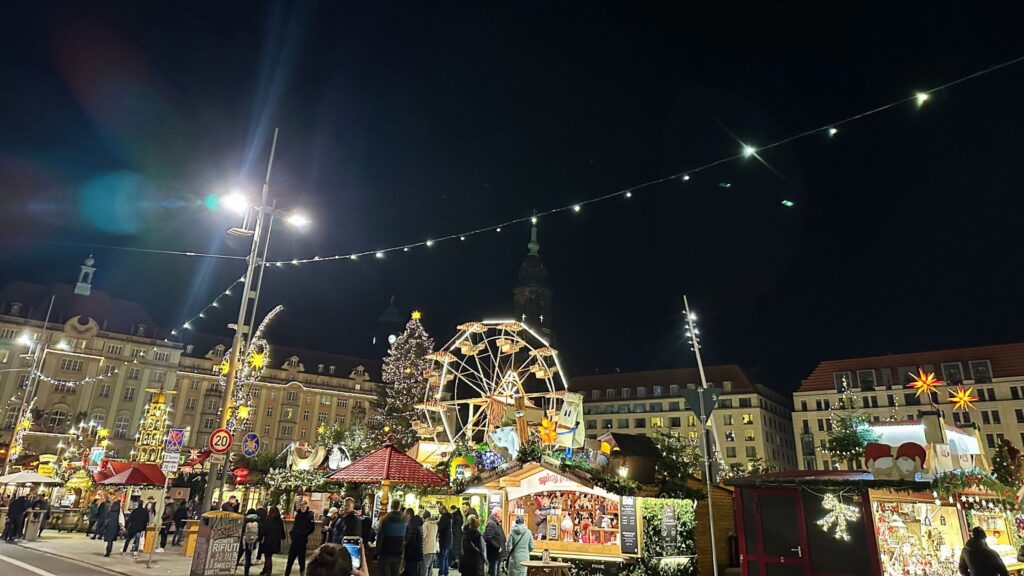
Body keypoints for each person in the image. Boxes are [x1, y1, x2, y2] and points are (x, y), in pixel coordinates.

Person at [377, 500, 408, 576]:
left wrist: (378, 552)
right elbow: (405, 538)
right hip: (398, 553)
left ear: (391, 506)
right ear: (399, 506)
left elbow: (380, 537)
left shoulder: (384, 519)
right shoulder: (405, 520)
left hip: (385, 553)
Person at [285, 500, 316, 576]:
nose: (303, 507)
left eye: (304, 506)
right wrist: (292, 533)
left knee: (301, 560)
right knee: (290, 560)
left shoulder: (310, 515)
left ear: (306, 506)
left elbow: (311, 528)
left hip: (302, 541)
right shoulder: (298, 514)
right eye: (302, 506)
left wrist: (304, 534)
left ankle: (302, 574)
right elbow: (295, 525)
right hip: (295, 540)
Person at [261, 506, 286, 576]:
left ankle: (268, 571)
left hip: (268, 541)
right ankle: (264, 569)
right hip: (276, 541)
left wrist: (261, 536)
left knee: (268, 556)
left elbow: (264, 530)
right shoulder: (279, 520)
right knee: (269, 556)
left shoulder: (268, 519)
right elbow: (282, 531)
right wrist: (283, 537)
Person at [237, 509, 262, 576]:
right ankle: (246, 572)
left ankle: (234, 567)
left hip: (244, 540)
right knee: (248, 556)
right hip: (252, 541)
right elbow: (260, 531)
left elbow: (242, 529)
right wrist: (258, 539)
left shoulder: (245, 519)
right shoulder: (258, 520)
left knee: (239, 554)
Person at [482, 509, 507, 576]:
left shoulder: (495, 522)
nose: (502, 515)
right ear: (496, 514)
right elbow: (487, 537)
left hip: (496, 554)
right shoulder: (492, 523)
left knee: (496, 571)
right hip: (494, 553)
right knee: (494, 571)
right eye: (501, 513)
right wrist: (497, 547)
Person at [402, 509, 424, 576]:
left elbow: (411, 540)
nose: (404, 516)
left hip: (412, 554)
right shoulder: (417, 523)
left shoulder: (412, 524)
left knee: (411, 572)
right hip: (417, 553)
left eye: (404, 515)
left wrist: (404, 544)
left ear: (408, 515)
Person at [436, 504, 452, 576]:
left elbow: (440, 527)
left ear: (444, 509)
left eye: (440, 509)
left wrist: (436, 526)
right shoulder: (448, 517)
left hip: (445, 539)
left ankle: (441, 571)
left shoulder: (444, 517)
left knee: (442, 556)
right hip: (448, 539)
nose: (439, 510)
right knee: (445, 556)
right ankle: (445, 571)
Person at [422, 510, 439, 576]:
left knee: (425, 568)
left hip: (426, 549)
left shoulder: (426, 524)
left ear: (424, 517)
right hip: (433, 549)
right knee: (430, 569)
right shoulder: (435, 525)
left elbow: (423, 536)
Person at [449, 505, 463, 571]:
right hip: (459, 534)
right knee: (457, 550)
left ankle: (455, 563)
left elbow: (452, 524)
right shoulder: (460, 515)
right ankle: (457, 563)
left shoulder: (454, 515)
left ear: (453, 509)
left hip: (455, 534)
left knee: (454, 549)